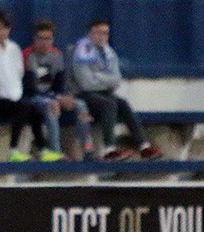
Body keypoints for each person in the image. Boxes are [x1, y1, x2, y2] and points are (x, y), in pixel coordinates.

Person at [0, 10, 61, 162]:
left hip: (14, 98)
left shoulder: (13, 49)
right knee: (24, 107)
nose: (1, 32)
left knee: (35, 109)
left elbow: (19, 74)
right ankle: (13, 150)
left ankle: (42, 149)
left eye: (5, 28)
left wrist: (14, 95)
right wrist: (1, 93)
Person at [70, 19, 163, 161]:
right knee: (110, 103)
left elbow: (116, 80)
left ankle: (144, 146)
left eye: (105, 33)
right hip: (82, 95)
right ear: (90, 34)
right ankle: (110, 149)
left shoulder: (109, 52)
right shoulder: (81, 52)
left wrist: (98, 78)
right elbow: (86, 84)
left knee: (123, 103)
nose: (102, 36)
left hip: (103, 94)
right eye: (98, 33)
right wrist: (106, 80)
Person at [22, 19, 97, 161]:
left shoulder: (56, 55)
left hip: (52, 96)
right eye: (41, 38)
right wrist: (56, 98)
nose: (44, 42)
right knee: (52, 106)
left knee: (81, 105)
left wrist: (64, 97)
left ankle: (88, 150)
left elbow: (59, 84)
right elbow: (32, 88)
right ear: (35, 39)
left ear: (53, 39)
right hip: (33, 97)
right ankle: (55, 151)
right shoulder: (27, 55)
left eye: (48, 39)